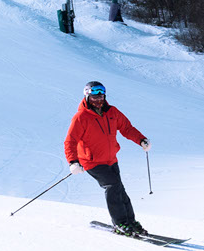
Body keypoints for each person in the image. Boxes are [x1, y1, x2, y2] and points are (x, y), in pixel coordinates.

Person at [63, 80, 150, 237]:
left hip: (111, 159)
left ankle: (130, 222)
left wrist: (141, 140)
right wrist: (73, 162)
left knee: (120, 191)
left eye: (101, 97)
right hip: (92, 162)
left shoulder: (112, 112)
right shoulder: (81, 117)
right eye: (94, 98)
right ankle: (120, 223)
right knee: (113, 187)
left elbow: (126, 128)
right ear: (87, 97)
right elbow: (70, 141)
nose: (98, 101)